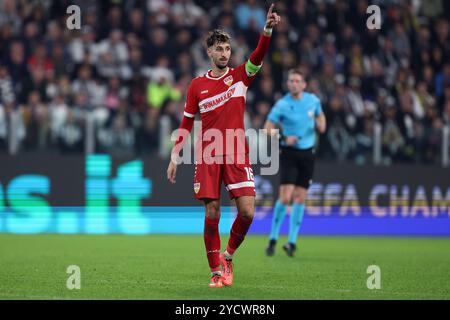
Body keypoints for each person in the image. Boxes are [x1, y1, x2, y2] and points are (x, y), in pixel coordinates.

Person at [167, 4, 281, 287]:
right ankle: (215, 272)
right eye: (218, 49)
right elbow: (186, 122)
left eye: (227, 49)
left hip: (236, 151)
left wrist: (266, 30)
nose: (223, 53)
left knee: (247, 212)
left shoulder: (241, 77)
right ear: (209, 52)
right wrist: (175, 154)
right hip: (207, 154)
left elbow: (258, 56)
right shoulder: (196, 86)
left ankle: (227, 256)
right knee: (212, 213)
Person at [264, 69, 326, 257]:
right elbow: (267, 128)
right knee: (285, 197)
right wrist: (283, 136)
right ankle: (273, 238)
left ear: (304, 84)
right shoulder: (282, 104)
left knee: (300, 197)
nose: (293, 84)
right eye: (291, 81)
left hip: (307, 153)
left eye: (297, 81)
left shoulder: (313, 101)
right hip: (289, 152)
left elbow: (320, 117)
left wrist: (321, 124)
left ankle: (291, 241)